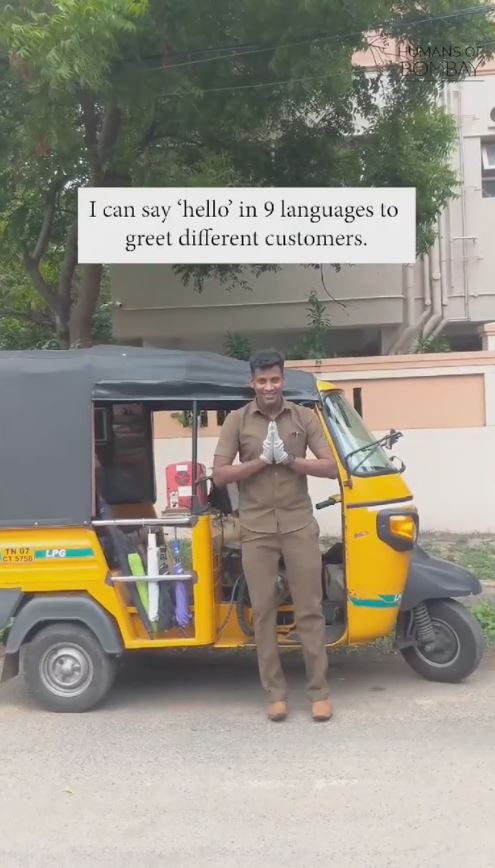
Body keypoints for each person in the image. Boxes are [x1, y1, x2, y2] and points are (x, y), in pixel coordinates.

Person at [212, 349, 339, 722]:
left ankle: (318, 692)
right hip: (255, 529)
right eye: (262, 380)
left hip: (299, 525)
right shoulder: (237, 421)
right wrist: (261, 461)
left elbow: (331, 467)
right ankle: (276, 693)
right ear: (252, 383)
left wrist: (290, 461)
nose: (269, 386)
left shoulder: (303, 416)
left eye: (275, 379)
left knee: (310, 609)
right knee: (264, 611)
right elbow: (219, 474)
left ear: (283, 380)